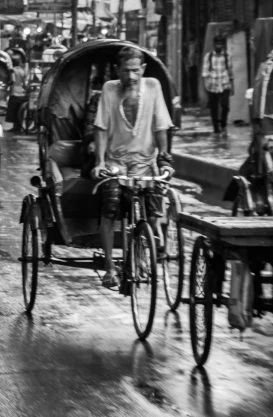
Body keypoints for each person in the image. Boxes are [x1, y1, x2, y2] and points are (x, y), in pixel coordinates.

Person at [91, 46, 174, 288]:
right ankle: (108, 265)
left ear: (143, 70)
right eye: (126, 71)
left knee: (155, 207)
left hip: (146, 163)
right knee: (110, 205)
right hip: (116, 163)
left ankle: (146, 251)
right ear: (118, 71)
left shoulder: (153, 87)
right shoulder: (110, 89)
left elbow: (161, 127)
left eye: (135, 71)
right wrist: (100, 162)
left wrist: (165, 159)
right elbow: (101, 129)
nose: (131, 76)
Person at [202, 34, 234, 134]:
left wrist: (233, 86)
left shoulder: (227, 56)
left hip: (225, 84)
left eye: (220, 44)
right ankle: (216, 128)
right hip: (212, 85)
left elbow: (230, 72)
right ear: (214, 45)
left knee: (225, 106)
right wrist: (205, 86)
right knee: (213, 108)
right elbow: (205, 72)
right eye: (217, 44)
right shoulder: (209, 56)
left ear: (223, 45)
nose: (219, 46)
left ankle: (223, 124)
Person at [5, 55, 27, 133]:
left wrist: (8, 84)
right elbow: (24, 83)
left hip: (14, 93)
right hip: (21, 93)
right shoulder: (22, 71)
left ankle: (15, 127)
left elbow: (12, 80)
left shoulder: (12, 70)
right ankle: (18, 127)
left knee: (13, 111)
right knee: (19, 111)